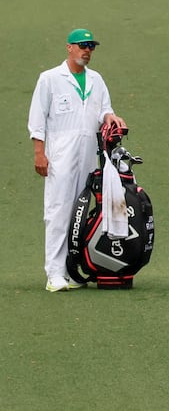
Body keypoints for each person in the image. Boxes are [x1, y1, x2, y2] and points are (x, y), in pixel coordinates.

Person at [28, 28, 127, 292]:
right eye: (82, 45)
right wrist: (39, 153)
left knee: (80, 213)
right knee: (58, 211)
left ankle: (72, 271)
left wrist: (110, 117)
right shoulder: (50, 79)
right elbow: (37, 119)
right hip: (60, 155)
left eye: (91, 46)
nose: (87, 50)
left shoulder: (96, 79)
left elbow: (104, 109)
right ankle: (54, 273)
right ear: (69, 47)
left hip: (88, 155)